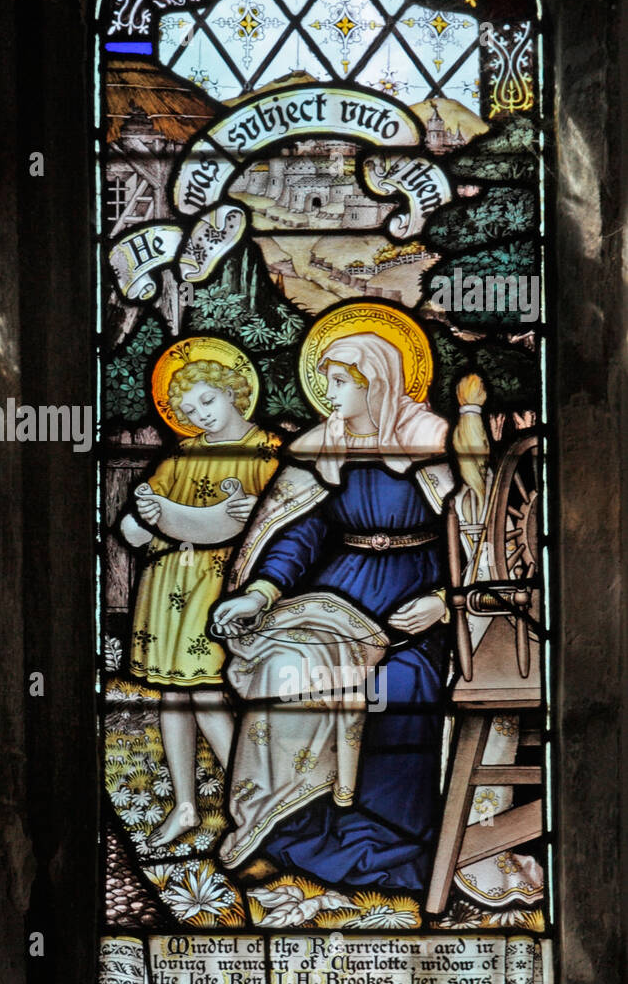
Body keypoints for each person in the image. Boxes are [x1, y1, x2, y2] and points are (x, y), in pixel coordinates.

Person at [211, 330, 454, 891]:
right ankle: (283, 830)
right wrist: (262, 592)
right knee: (284, 670)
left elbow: (471, 537)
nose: (330, 392)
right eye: (326, 380)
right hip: (336, 593)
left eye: (341, 381)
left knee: (400, 683)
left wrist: (445, 603)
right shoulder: (322, 448)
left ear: (379, 383)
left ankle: (393, 835)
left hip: (414, 601)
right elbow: (299, 533)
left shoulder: (432, 442)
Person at [119, 356, 278, 847]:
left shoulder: (268, 453)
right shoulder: (181, 456)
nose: (201, 414)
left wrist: (253, 514)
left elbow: (283, 524)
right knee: (173, 695)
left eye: (208, 400)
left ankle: (257, 804)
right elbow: (131, 530)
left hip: (221, 589)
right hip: (166, 585)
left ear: (235, 390)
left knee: (207, 693)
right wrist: (145, 516)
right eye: (190, 409)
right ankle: (185, 806)